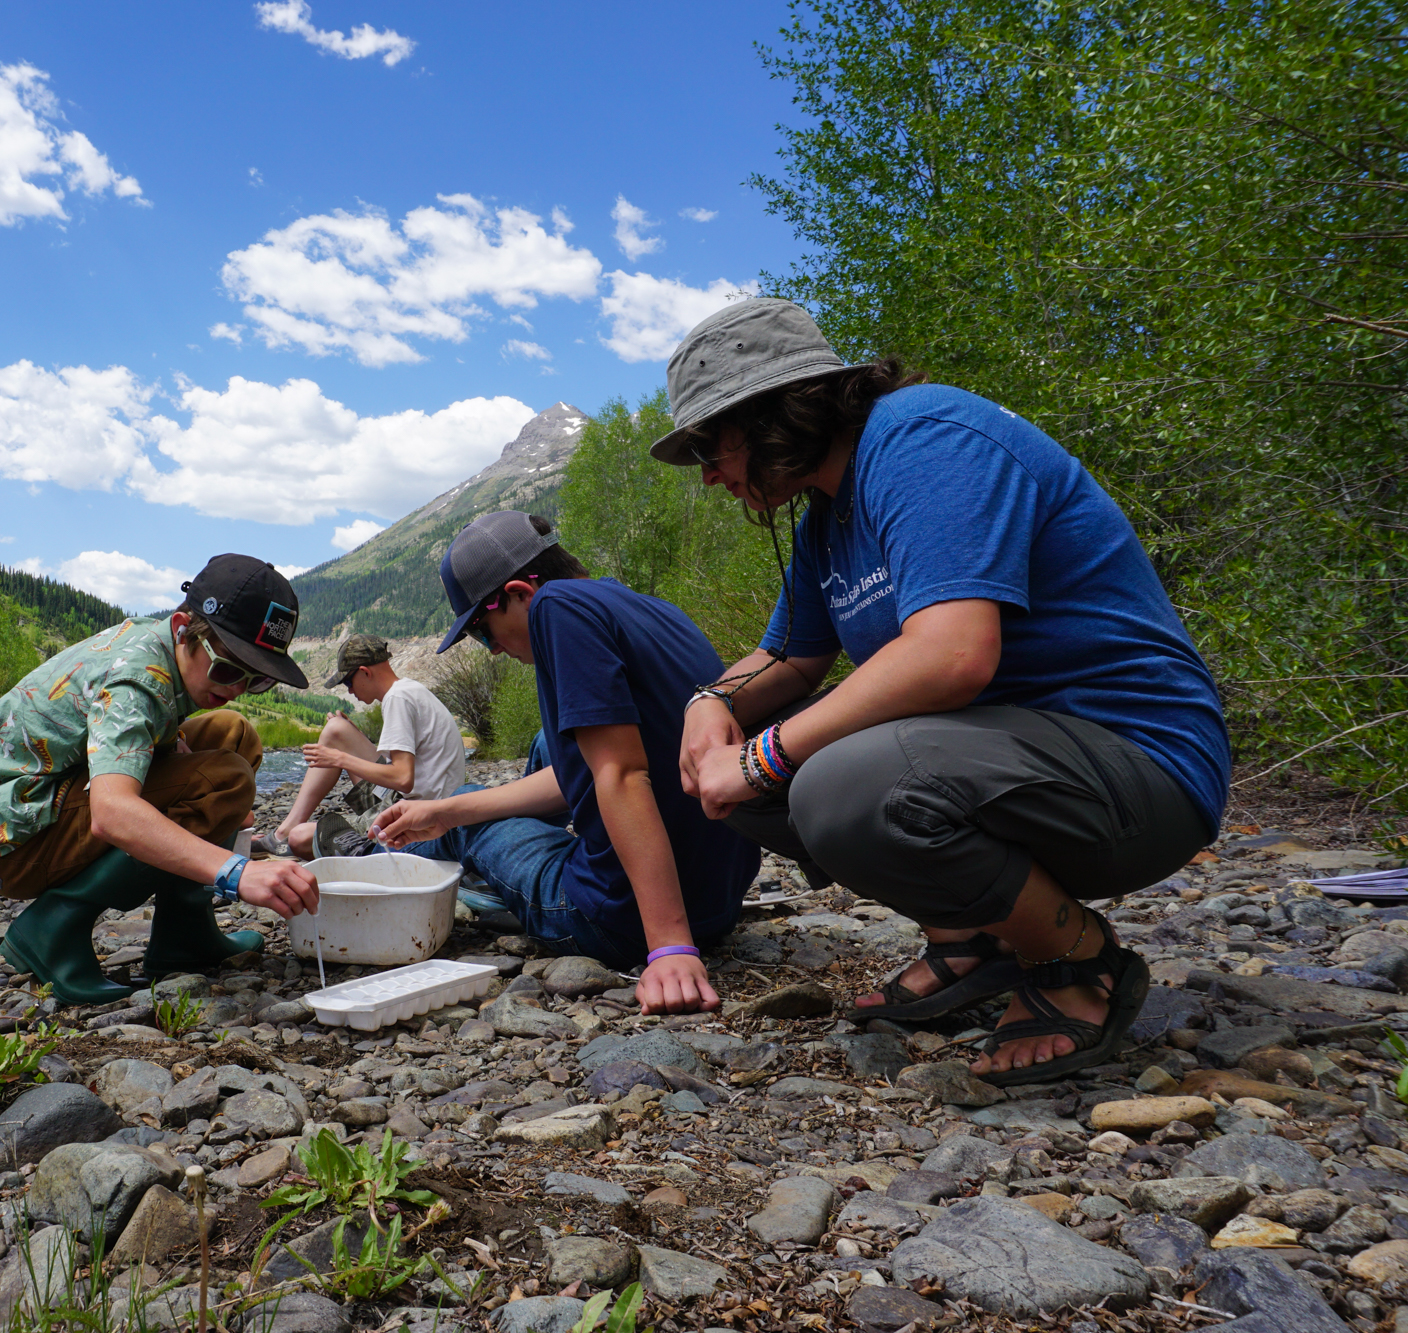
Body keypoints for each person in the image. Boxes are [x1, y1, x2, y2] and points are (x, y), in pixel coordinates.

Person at [655, 298, 1228, 1084]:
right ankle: (974, 941)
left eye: (710, 446)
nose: (710, 476)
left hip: (1140, 766)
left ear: (773, 411)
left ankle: (1078, 959)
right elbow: (786, 659)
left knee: (825, 781)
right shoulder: (827, 512)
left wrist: (761, 759)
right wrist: (707, 705)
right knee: (746, 765)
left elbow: (953, 654)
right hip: (1016, 757)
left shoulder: (923, 439)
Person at [369, 511, 760, 1015]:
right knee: (532, 753)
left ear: (519, 593)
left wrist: (670, 950)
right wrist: (444, 809)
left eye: (484, 633)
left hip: (617, 920)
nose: (491, 651)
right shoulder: (647, 605)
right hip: (718, 903)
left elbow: (620, 773)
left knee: (464, 820)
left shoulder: (556, 608)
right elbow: (600, 767)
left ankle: (376, 869)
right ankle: (466, 855)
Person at [0, 554, 321, 1005]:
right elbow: (112, 815)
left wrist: (184, 765)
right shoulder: (136, 679)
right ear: (182, 629)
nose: (235, 689)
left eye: (256, 681)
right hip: (13, 843)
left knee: (233, 735)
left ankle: (183, 935)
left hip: (46, 795)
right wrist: (235, 871)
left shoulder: (160, 648)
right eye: (228, 669)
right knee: (223, 780)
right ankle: (54, 927)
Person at [268, 634, 469, 859]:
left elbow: (403, 778)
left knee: (301, 837)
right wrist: (350, 739)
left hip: (420, 825)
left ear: (365, 672)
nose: (350, 691)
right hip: (417, 808)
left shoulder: (397, 699)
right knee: (337, 730)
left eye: (348, 682)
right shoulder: (409, 690)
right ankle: (283, 832)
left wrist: (339, 758)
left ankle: (368, 851)